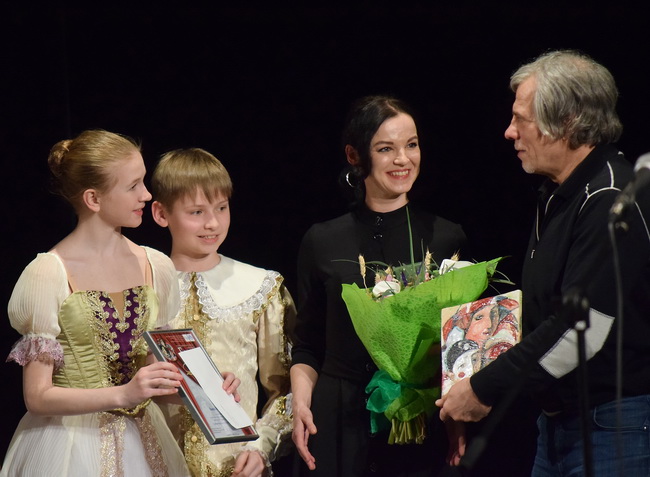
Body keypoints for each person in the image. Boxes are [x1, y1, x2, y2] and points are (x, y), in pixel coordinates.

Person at [436, 50, 650, 475]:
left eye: (521, 119)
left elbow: (581, 331)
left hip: (614, 429)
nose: (509, 131)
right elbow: (542, 310)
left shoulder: (610, 198)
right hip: (555, 426)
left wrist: (482, 388)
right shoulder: (557, 192)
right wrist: (462, 366)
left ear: (566, 122)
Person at [0, 130, 201, 476]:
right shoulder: (48, 273)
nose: (146, 194)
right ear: (93, 198)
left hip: (144, 439)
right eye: (133, 186)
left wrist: (202, 387)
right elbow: (37, 396)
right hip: (71, 444)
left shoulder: (156, 266)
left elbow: (155, 378)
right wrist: (123, 394)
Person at [290, 95, 468, 476]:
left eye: (411, 145)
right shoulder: (322, 241)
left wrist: (456, 420)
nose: (403, 159)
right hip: (337, 419)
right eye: (386, 149)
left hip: (415, 421)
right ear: (355, 155)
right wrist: (300, 405)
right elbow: (307, 345)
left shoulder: (445, 238)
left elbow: (457, 348)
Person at [151, 148, 295, 477]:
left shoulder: (259, 287)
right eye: (196, 212)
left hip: (234, 466)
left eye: (221, 207)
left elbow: (285, 389)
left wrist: (261, 446)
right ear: (161, 213)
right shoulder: (144, 289)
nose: (213, 223)